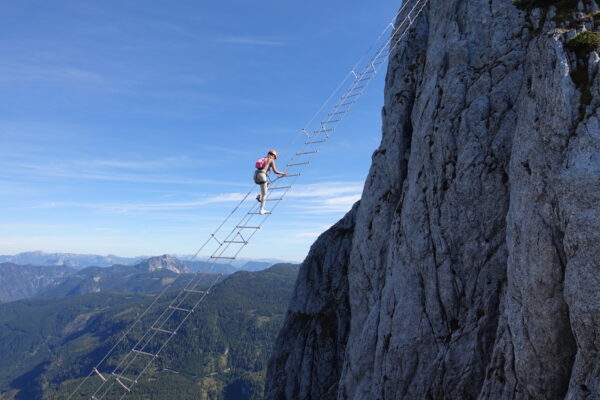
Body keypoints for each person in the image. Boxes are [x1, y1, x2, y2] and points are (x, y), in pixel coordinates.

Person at [254, 150, 287, 214]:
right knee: (264, 194)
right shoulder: (271, 160)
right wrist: (283, 173)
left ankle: (259, 196)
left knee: (266, 185)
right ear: (273, 156)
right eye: (275, 157)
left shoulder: (263, 159)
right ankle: (261, 210)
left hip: (255, 175)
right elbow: (275, 172)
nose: (274, 159)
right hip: (262, 175)